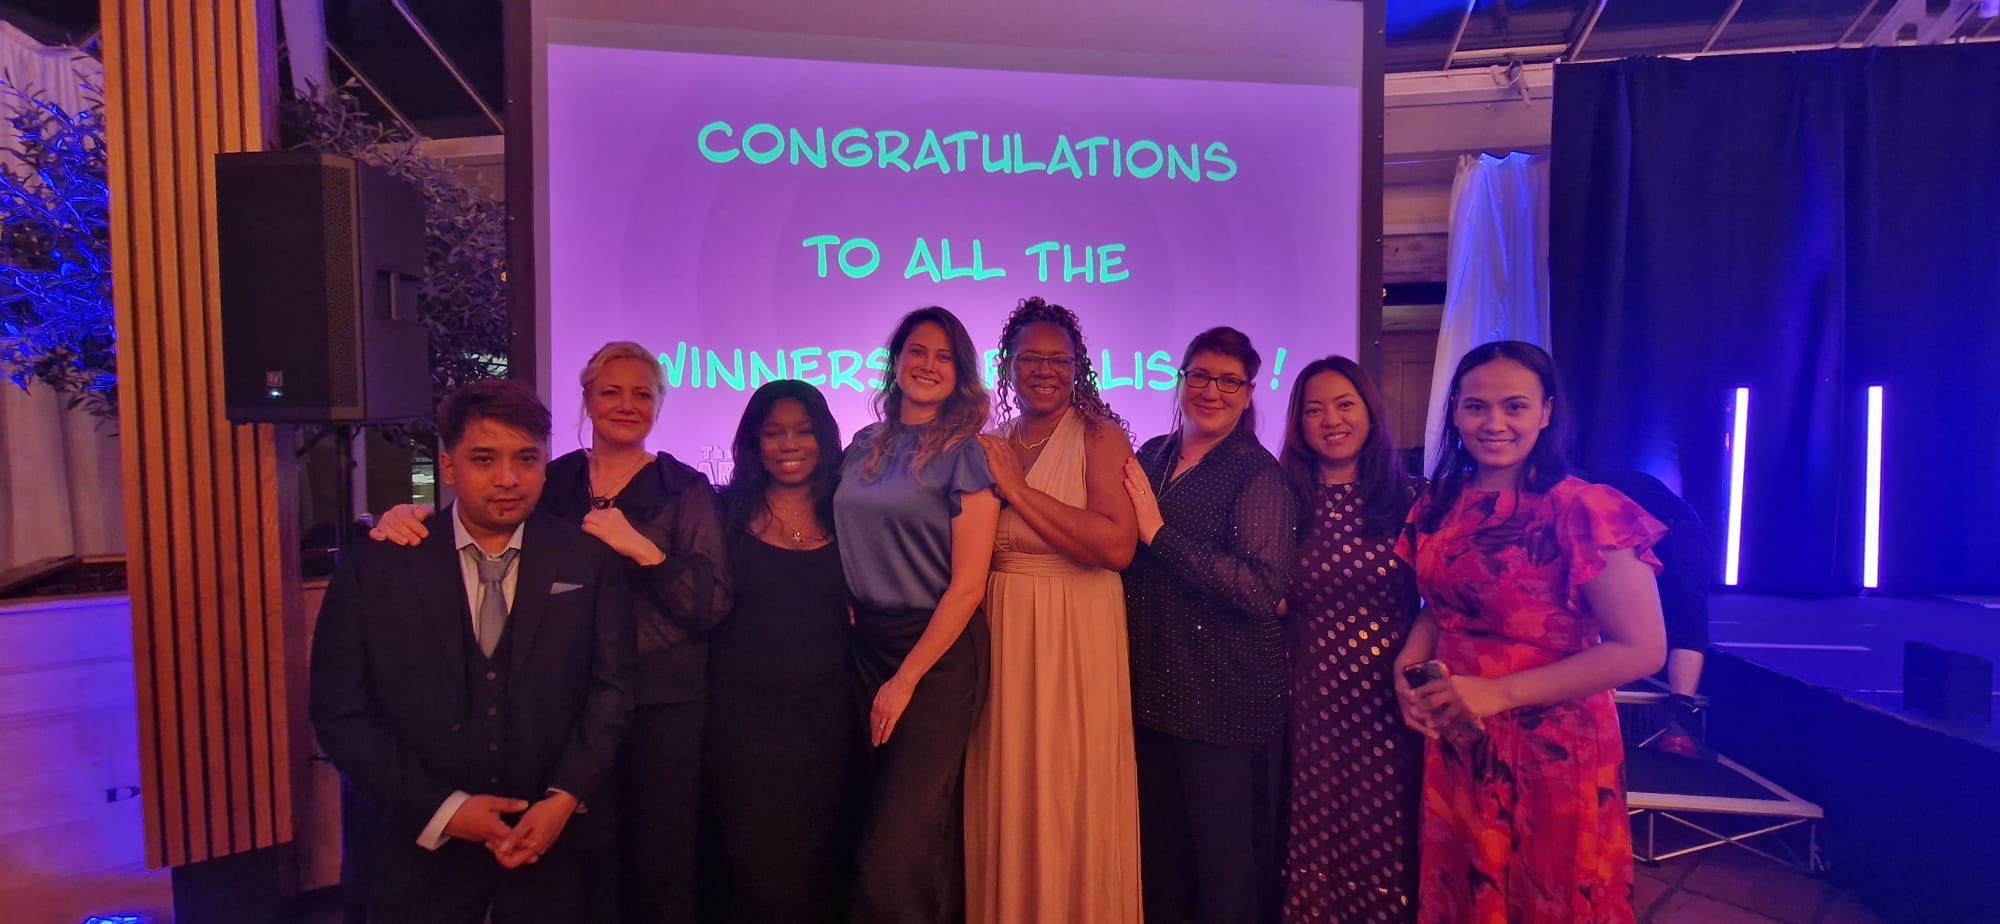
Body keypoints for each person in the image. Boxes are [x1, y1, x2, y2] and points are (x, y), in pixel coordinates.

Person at [367, 342, 731, 923]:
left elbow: (709, 605)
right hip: (560, 698)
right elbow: (481, 530)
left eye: (643, 394)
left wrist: (640, 548)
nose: (626, 404)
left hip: (662, 699)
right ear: (586, 398)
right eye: (611, 391)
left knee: (660, 854)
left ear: (660, 405)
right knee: (576, 860)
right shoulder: (548, 477)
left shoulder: (681, 487)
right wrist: (405, 517)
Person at [309, 379, 634, 924]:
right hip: (412, 855)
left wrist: (563, 798)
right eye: (485, 458)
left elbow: (613, 691)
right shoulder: (379, 566)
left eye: (526, 458)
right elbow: (340, 709)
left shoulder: (587, 561)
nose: (508, 478)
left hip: (550, 847)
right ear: (450, 465)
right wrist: (445, 810)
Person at [1392, 340, 1666, 924]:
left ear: (1546, 412)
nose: (1494, 424)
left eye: (1514, 407)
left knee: (1548, 897)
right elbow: (1440, 605)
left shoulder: (1586, 508)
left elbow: (1642, 649)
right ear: (1456, 413)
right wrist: (1407, 667)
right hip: (1461, 736)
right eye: (1475, 407)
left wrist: (1498, 693)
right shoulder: (1440, 502)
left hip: (1554, 747)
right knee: (1464, 889)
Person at [965, 297, 1142, 923]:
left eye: (1057, 360)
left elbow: (1116, 545)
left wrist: (1017, 490)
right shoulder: (992, 442)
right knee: (1012, 789)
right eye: (1030, 358)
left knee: (1072, 788)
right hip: (1006, 631)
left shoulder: (1100, 436)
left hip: (1078, 628)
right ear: (1008, 367)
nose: (1044, 370)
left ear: (1078, 367)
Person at [1121, 326, 1297, 924]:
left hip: (1226, 703)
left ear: (1248, 393)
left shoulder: (1257, 475)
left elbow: (1259, 587)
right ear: (1182, 380)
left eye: (1229, 381)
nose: (1211, 391)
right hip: (1152, 699)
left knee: (1226, 878)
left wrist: (1159, 535)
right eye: (1200, 376)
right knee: (1163, 868)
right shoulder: (1150, 454)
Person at [834, 306, 1001, 923]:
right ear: (896, 360)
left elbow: (966, 588)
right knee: (880, 834)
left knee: (894, 848)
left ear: (960, 374)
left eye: (943, 356)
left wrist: (905, 680)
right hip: (866, 648)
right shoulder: (862, 447)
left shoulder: (967, 456)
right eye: (917, 351)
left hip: (935, 658)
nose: (927, 365)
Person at [1275, 356, 1424, 923]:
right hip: (1306, 694)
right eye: (1314, 409)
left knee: (1382, 822)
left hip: (1387, 696)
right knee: (1309, 822)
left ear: (1369, 412)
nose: (1330, 420)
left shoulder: (1411, 501)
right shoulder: (1283, 502)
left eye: (1344, 405)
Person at [704, 380, 858, 922]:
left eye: (803, 431)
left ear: (824, 437)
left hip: (827, 731)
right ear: (754, 443)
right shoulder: (719, 513)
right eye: (774, 433)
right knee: (754, 877)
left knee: (820, 876)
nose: (790, 444)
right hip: (742, 734)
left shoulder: (850, 515)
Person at [1592, 469, 1715, 757]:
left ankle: (1680, 721)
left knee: (1683, 619)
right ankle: (1680, 720)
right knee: (1686, 619)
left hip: (1673, 528)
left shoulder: (1564, 492)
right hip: (1666, 524)